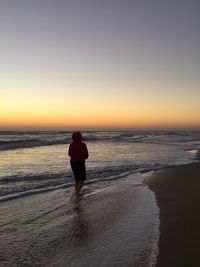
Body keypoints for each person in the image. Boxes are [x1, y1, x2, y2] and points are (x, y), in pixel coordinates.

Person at [68, 131, 89, 197]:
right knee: (82, 179)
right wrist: (82, 157)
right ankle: (77, 193)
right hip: (80, 162)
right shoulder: (83, 145)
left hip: (72, 162)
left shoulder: (71, 144)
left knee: (77, 178)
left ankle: (76, 191)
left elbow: (69, 154)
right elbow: (86, 155)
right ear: (80, 137)